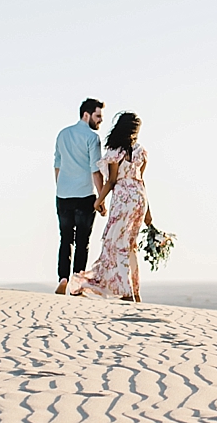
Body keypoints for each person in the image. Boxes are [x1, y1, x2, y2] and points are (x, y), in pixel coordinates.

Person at [70, 111, 151, 301]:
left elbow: (112, 180)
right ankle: (134, 290)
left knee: (116, 242)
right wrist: (148, 212)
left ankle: (126, 291)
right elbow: (141, 181)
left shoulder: (115, 152)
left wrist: (99, 201)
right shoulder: (141, 152)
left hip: (123, 199)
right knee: (130, 244)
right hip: (139, 199)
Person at [53, 98, 107, 294]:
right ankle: (77, 283)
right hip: (85, 195)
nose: (100, 120)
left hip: (63, 195)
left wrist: (60, 188)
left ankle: (63, 278)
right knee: (82, 241)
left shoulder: (62, 134)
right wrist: (101, 198)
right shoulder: (92, 138)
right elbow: (95, 170)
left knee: (65, 239)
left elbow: (57, 165)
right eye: (98, 116)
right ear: (87, 114)